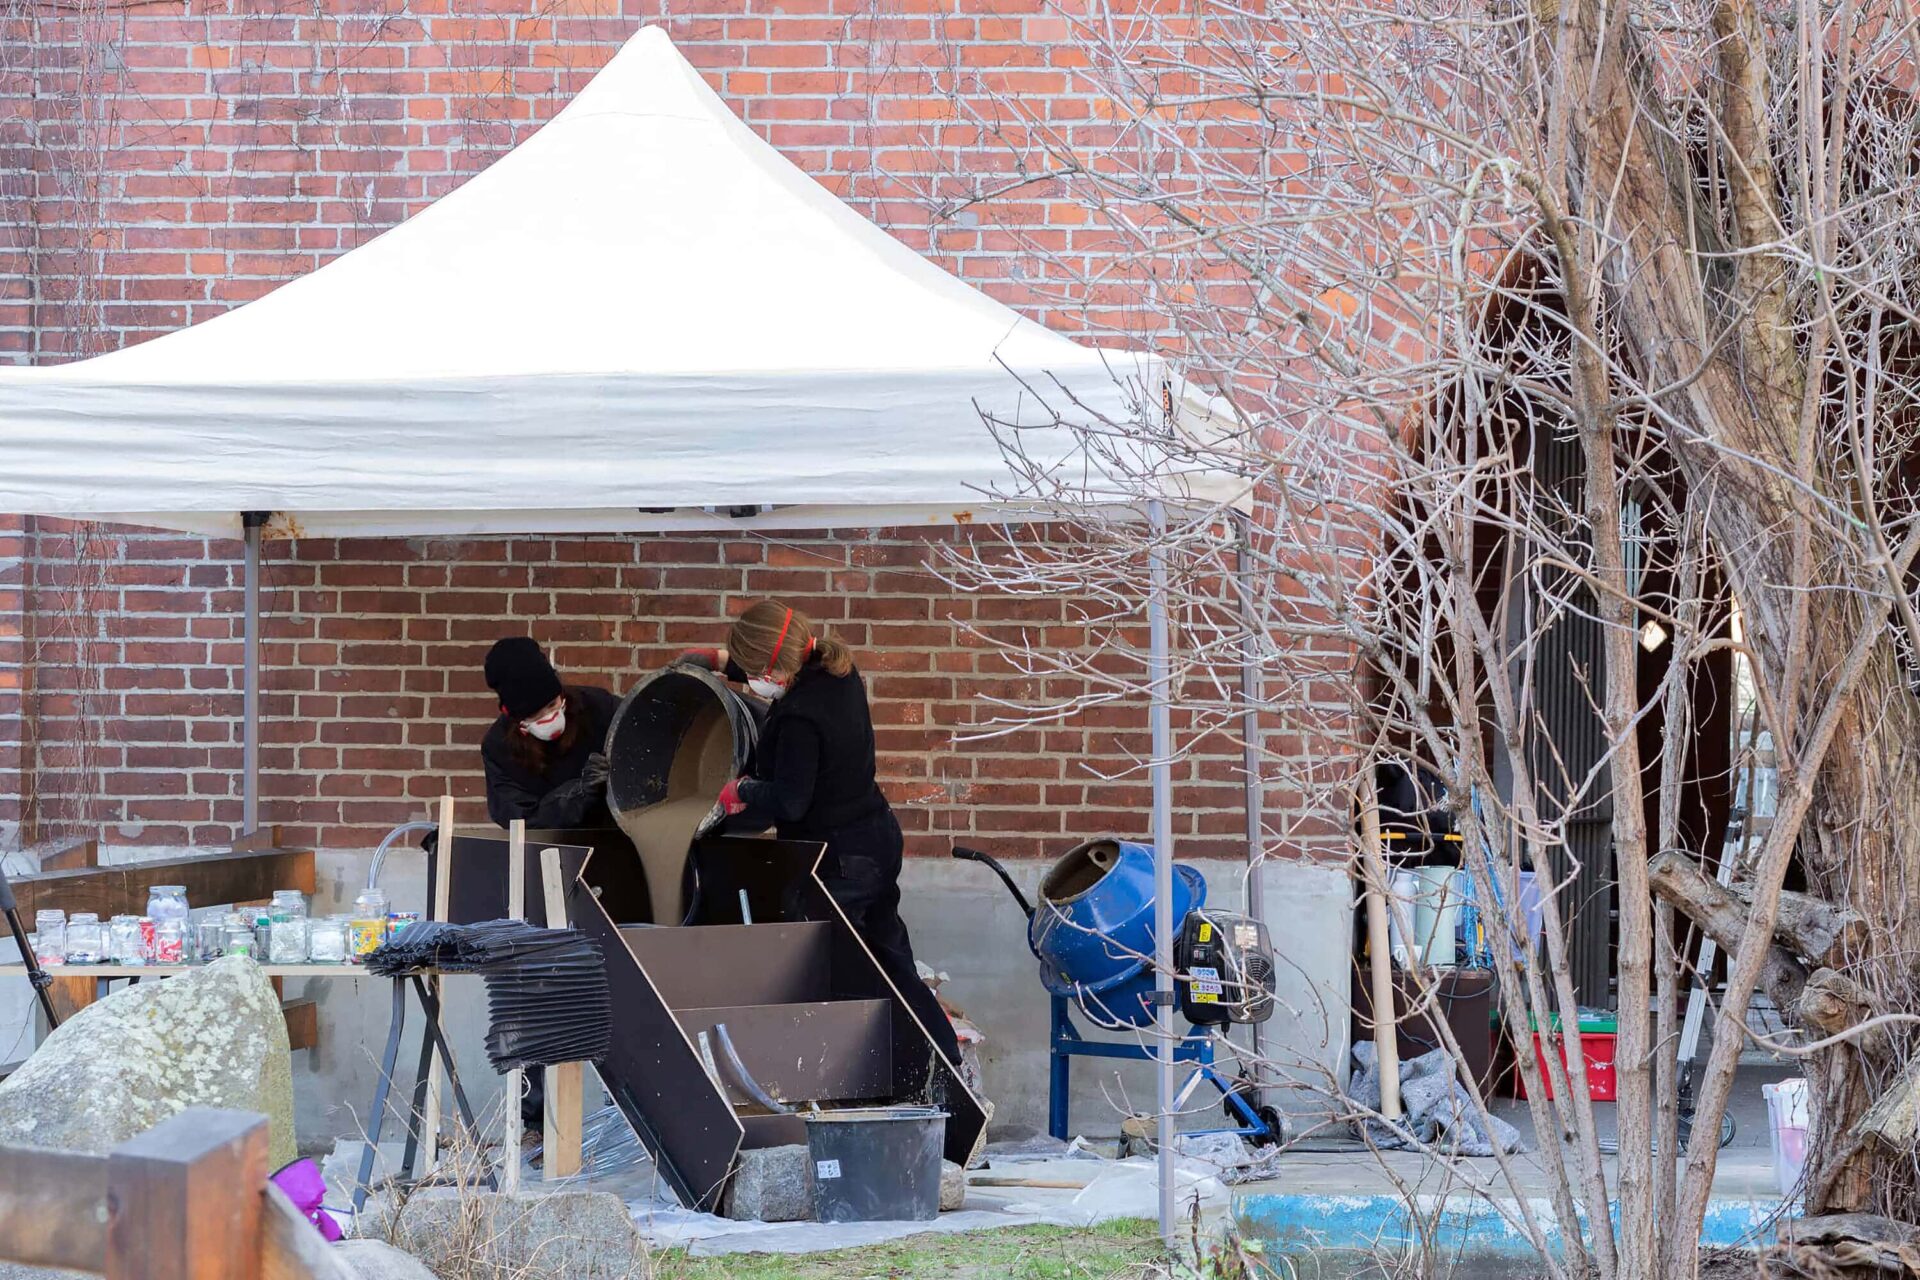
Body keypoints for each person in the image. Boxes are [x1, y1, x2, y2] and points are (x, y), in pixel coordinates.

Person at [696, 601, 963, 1068]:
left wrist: (741, 788)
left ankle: (863, 1070)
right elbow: (777, 665)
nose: (755, 680)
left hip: (841, 858)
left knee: (840, 965)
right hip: (875, 839)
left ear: (773, 668)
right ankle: (944, 1063)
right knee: (894, 961)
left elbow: (791, 801)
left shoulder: (800, 716)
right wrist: (723, 663)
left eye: (755, 669)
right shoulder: (837, 669)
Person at [479, 636, 619, 830]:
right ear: (515, 717)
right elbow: (522, 820)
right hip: (551, 848)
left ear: (560, 694)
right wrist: (579, 794)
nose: (549, 718)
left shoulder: (599, 708)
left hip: (616, 835)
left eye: (552, 705)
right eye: (535, 714)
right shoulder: (499, 749)